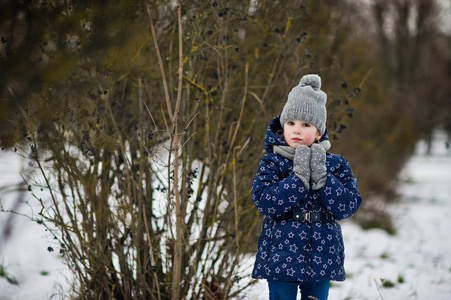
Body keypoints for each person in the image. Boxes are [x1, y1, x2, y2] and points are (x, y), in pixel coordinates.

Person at [251, 74, 362, 300]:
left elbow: (348, 206)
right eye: (291, 123)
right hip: (282, 255)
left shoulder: (336, 164)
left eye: (306, 124)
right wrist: (298, 179)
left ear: (319, 132)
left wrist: (323, 178)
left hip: (322, 255)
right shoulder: (272, 162)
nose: (297, 130)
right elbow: (265, 202)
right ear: (283, 126)